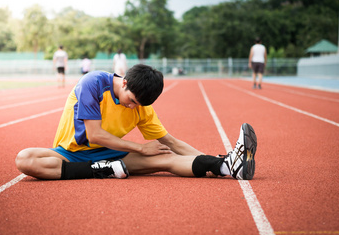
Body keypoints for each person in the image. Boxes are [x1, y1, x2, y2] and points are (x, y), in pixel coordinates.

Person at [15, 64, 257, 181]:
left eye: (139, 105)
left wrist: (214, 161)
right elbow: (94, 135)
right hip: (71, 153)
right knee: (25, 159)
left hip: (110, 155)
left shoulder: (142, 107)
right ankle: (101, 171)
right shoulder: (93, 84)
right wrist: (141, 147)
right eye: (131, 101)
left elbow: (170, 142)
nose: (133, 107)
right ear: (125, 83)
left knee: (167, 158)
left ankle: (227, 166)